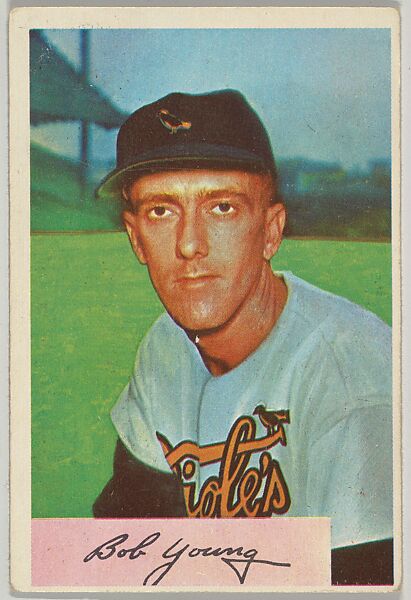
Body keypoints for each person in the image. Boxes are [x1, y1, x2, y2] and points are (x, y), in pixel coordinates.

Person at [94, 90, 393, 585]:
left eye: (222, 208)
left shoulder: (351, 378)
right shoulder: (165, 345)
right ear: (135, 238)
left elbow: (370, 585)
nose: (190, 244)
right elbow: (125, 550)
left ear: (271, 232)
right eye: (162, 211)